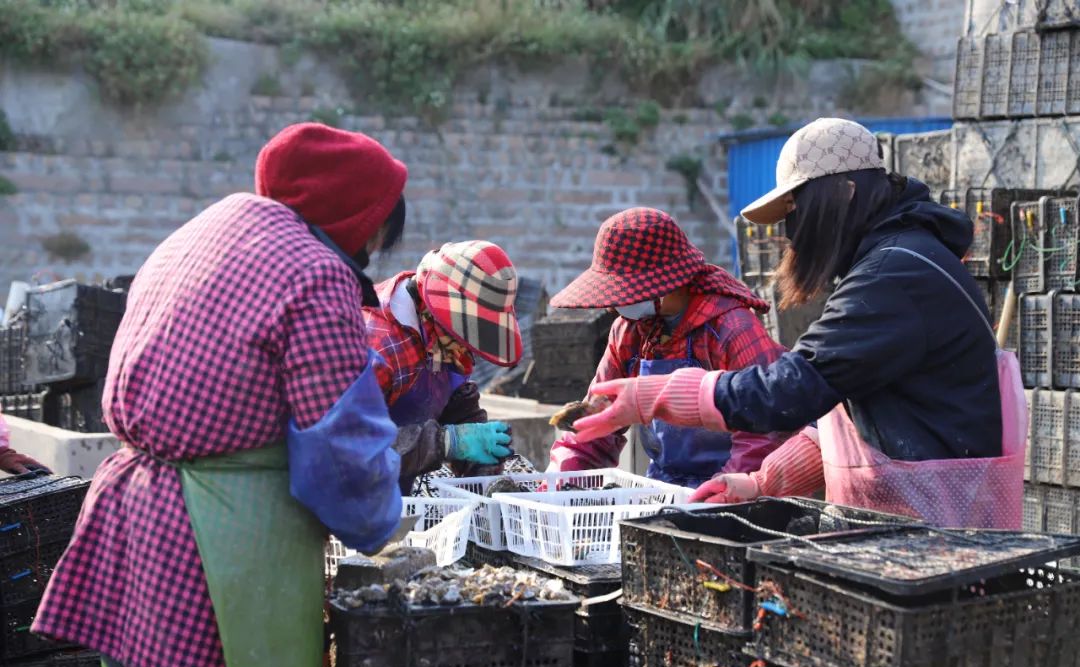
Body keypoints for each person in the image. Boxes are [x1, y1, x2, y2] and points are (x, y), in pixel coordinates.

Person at [33, 123, 409, 667]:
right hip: (218, 544)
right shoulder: (314, 271)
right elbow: (339, 446)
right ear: (361, 214)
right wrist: (386, 525)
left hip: (125, 521)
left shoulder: (207, 228)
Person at [571, 118, 1025, 531]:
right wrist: (760, 481)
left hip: (943, 534)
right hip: (912, 524)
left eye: (795, 209)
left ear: (845, 192)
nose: (791, 232)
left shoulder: (896, 275)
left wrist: (658, 395)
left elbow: (791, 389)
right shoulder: (894, 264)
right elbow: (838, 415)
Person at [547, 207, 788, 487]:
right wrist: (561, 480)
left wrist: (726, 491)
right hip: (665, 487)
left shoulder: (732, 329)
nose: (616, 305)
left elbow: (764, 429)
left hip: (738, 486)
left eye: (625, 292)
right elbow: (596, 422)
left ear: (668, 282)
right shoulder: (630, 332)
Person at [365, 240, 522, 492]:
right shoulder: (378, 346)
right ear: (432, 311)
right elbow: (353, 449)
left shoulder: (444, 345)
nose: (466, 350)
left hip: (394, 501)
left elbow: (457, 406)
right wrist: (447, 442)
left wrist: (484, 466)